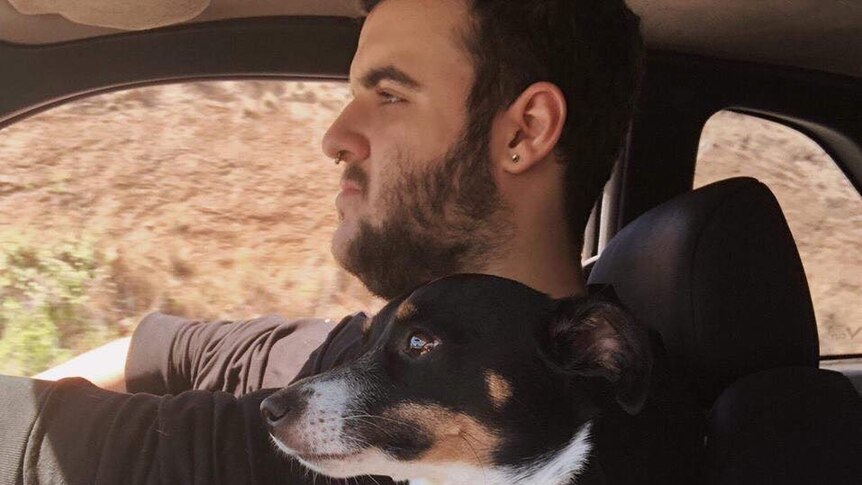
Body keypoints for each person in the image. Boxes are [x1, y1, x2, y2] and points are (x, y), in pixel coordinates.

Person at [0, 0, 645, 483]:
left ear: (524, 132)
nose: (334, 136)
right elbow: (172, 350)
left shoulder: (450, 452)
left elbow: (26, 444)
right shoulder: (359, 348)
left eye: (389, 94)